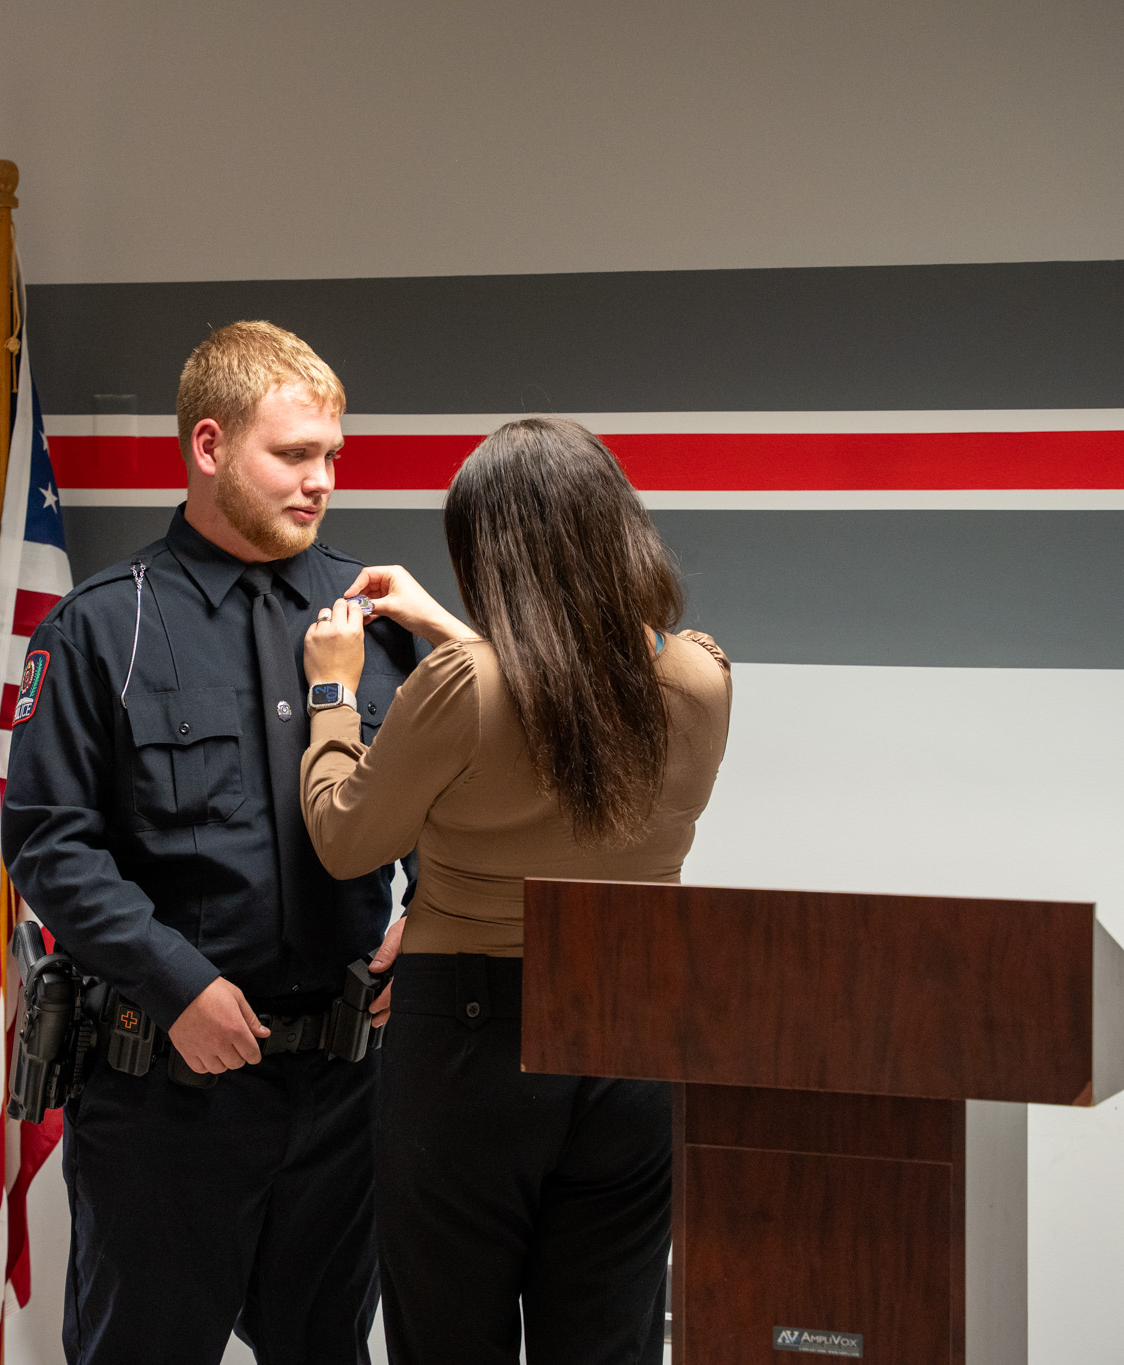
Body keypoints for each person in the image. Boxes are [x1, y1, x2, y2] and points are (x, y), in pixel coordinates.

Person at [5, 322, 420, 1365]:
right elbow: (51, 844)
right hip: (163, 1095)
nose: (320, 481)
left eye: (331, 455)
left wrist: (430, 920)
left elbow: (457, 808)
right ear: (206, 446)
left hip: (338, 1091)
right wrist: (176, 982)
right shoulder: (104, 627)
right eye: (292, 455)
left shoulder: (376, 624)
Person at [295, 417, 733, 1365]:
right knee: (608, 1345)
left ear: (496, 556)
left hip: (470, 1046)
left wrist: (334, 693)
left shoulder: (459, 686)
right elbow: (557, 707)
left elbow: (342, 835)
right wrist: (450, 632)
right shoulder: (701, 677)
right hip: (635, 1050)